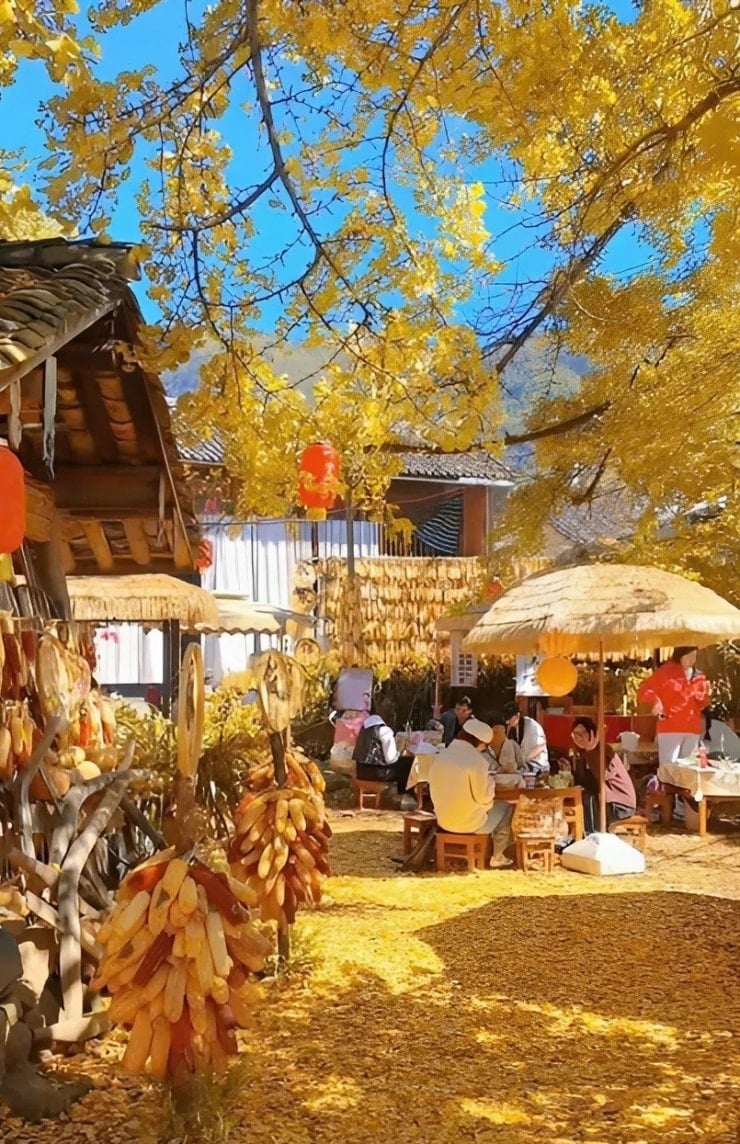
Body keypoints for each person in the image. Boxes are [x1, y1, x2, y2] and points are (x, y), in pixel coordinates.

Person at [428, 717, 514, 867]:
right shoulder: (476, 761)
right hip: (469, 824)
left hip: (442, 820)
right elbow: (483, 797)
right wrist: (491, 783)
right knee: (506, 807)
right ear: (479, 743)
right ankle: (498, 854)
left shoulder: (441, 756)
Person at [636, 647, 711, 766]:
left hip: (692, 728)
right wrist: (655, 701)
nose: (692, 660)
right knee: (668, 768)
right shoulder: (665, 672)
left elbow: (703, 704)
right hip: (670, 727)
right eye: (689, 656)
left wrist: (704, 697)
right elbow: (643, 691)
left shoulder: (699, 677)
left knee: (688, 769)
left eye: (694, 656)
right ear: (680, 655)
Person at [565, 716, 636, 834]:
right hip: (604, 802)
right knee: (581, 797)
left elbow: (603, 775)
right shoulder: (582, 754)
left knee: (587, 797)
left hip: (620, 804)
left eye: (583, 733)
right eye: (575, 734)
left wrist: (591, 749)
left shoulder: (602, 750)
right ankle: (580, 836)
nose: (579, 737)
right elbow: (585, 782)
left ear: (591, 733)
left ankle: (592, 836)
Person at [352, 698, 400, 782]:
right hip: (377, 774)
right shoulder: (385, 731)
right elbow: (391, 759)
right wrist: (399, 752)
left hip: (360, 772)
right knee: (406, 765)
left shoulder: (364, 728)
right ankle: (408, 794)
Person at [502, 701, 549, 774]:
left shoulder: (531, 726)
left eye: (509, 718)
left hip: (537, 764)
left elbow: (540, 746)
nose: (507, 722)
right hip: (523, 764)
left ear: (518, 715)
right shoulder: (512, 728)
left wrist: (522, 760)